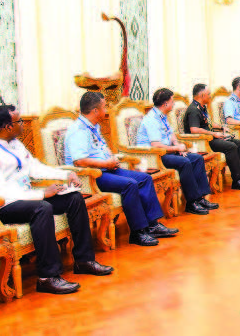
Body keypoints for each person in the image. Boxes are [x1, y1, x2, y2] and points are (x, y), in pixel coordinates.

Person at [0, 105, 114, 295]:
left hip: (25, 197)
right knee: (42, 208)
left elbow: (35, 168)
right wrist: (42, 194)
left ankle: (84, 260)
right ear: (7, 127)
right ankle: (48, 277)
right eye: (19, 121)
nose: (23, 124)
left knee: (74, 198)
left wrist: (65, 175)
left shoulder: (14, 143)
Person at [65, 92, 179, 247]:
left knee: (145, 178)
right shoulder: (78, 130)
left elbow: (100, 149)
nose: (106, 110)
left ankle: (153, 225)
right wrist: (106, 164)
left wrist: (113, 159)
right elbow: (80, 161)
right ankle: (138, 232)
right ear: (95, 111)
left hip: (107, 168)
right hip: (92, 176)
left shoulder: (93, 126)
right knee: (130, 184)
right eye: (104, 107)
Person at [137, 88, 218, 215]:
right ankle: (192, 203)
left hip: (167, 151)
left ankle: (200, 198)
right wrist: (176, 149)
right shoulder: (151, 119)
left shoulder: (162, 116)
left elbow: (171, 134)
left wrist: (177, 145)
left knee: (197, 158)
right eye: (172, 101)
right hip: (154, 156)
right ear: (165, 104)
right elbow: (156, 145)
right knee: (184, 162)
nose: (173, 103)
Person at [184, 83, 240, 190]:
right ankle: (237, 180)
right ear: (202, 95)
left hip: (210, 137)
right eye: (208, 94)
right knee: (231, 146)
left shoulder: (201, 107)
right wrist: (214, 134)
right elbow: (194, 129)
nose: (210, 96)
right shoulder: (193, 110)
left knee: (239, 143)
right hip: (202, 142)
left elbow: (207, 124)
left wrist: (221, 127)